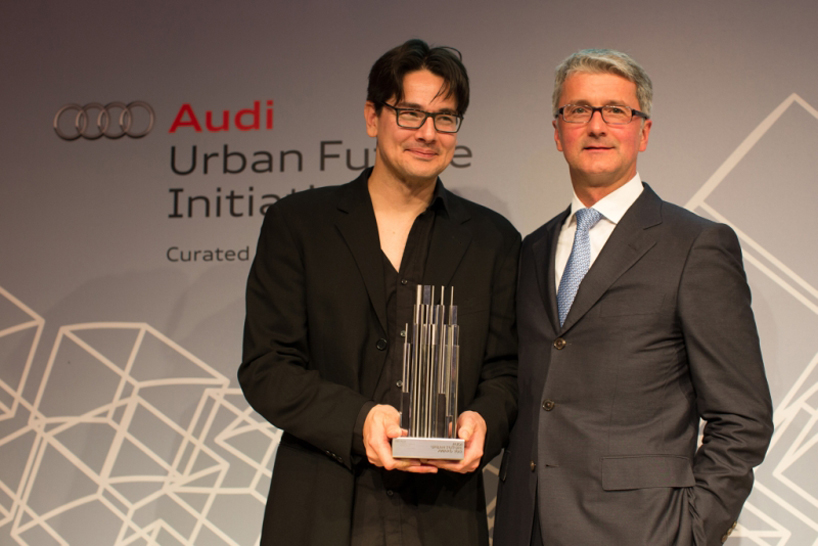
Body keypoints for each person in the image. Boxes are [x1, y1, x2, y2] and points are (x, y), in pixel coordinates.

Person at [239, 39, 519, 546]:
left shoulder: (492, 240)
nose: (428, 133)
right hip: (322, 507)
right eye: (410, 113)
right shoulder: (299, 225)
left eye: (445, 118)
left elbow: (507, 372)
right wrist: (359, 420)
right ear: (373, 117)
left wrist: (485, 420)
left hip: (443, 514)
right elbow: (267, 367)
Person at [493, 49, 774, 546]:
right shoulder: (532, 249)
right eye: (578, 110)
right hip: (524, 527)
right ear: (557, 132)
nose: (596, 125)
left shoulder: (695, 245)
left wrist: (691, 531)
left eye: (616, 111)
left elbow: (742, 418)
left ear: (643, 132)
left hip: (643, 530)